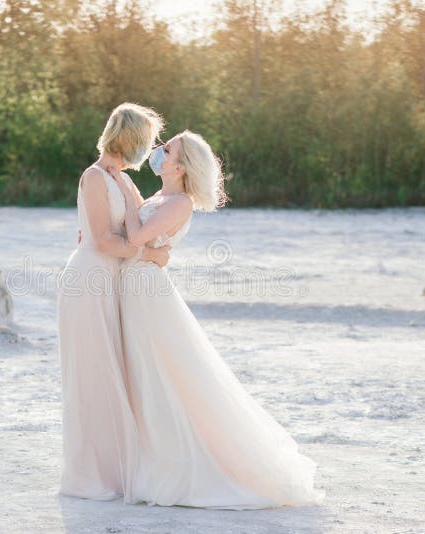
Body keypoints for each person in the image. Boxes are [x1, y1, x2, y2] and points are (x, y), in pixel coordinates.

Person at [106, 130, 326, 509]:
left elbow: (139, 234)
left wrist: (128, 198)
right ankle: (142, 458)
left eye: (167, 149)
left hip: (147, 293)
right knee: (144, 373)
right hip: (134, 284)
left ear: (180, 165)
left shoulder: (180, 203)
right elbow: (137, 239)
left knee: (158, 373)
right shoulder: (160, 197)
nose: (159, 152)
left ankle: (172, 465)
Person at [56, 102, 171, 502]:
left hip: (110, 279)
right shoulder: (94, 177)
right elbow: (103, 240)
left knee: (114, 371)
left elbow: (133, 224)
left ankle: (117, 468)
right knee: (94, 374)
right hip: (89, 281)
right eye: (148, 141)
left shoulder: (121, 179)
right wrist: (150, 256)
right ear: (132, 140)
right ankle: (93, 475)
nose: (151, 148)